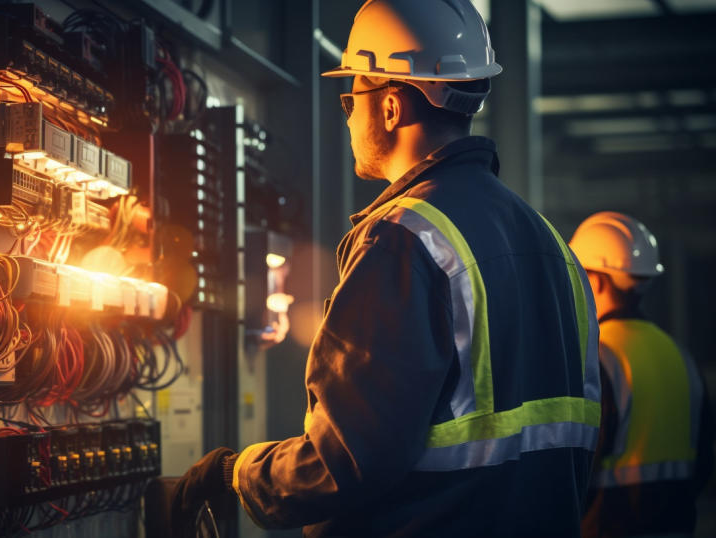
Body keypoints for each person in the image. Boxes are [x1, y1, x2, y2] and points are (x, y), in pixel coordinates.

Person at [172, 1, 601, 535]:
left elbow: (345, 460)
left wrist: (237, 472)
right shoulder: (553, 244)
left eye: (352, 98)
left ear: (392, 107)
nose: (348, 114)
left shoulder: (403, 239)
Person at [569, 212, 714, 537]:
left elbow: (579, 467)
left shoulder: (597, 356)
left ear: (596, 281)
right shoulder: (680, 356)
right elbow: (704, 462)